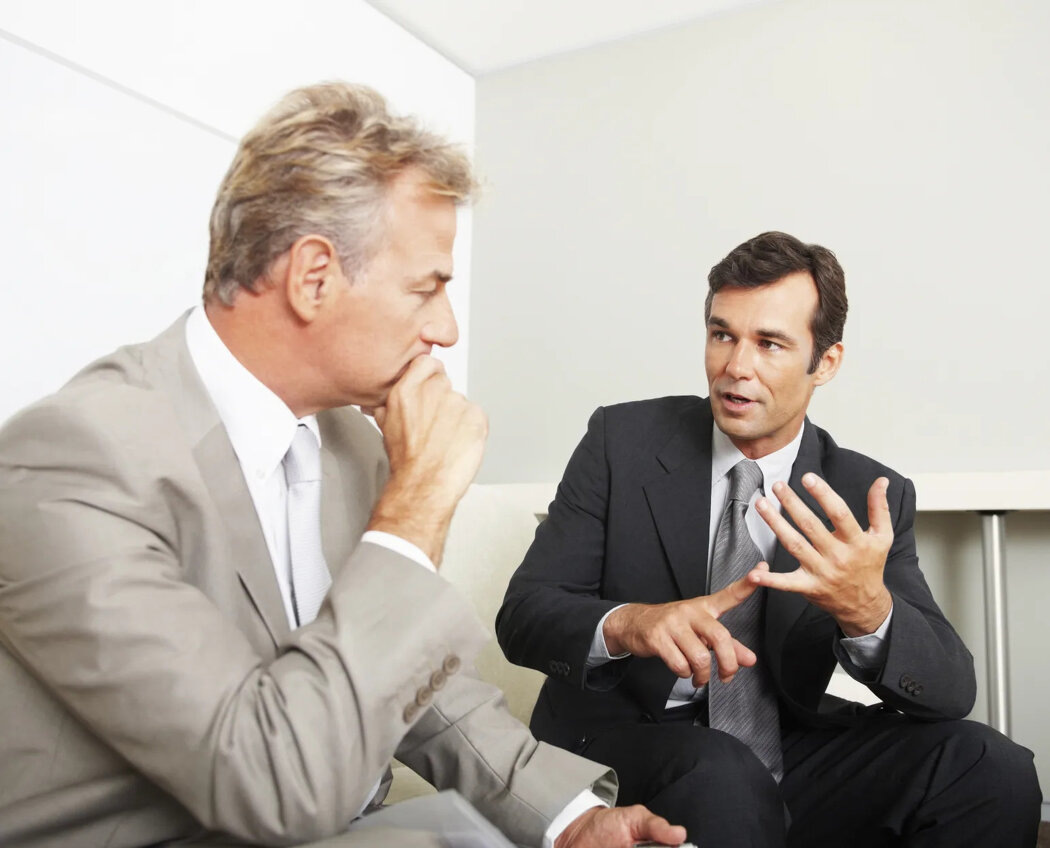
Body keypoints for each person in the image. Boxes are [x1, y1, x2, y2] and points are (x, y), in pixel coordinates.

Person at [0, 82, 687, 848]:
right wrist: (416, 506)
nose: (447, 329)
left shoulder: (350, 442)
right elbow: (267, 779)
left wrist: (572, 821)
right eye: (427, 288)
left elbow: (410, 677)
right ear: (314, 277)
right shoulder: (72, 462)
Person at [496, 231, 1042, 847]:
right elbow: (524, 616)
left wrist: (868, 610)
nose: (736, 366)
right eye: (722, 334)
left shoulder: (860, 492)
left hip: (785, 744)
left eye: (770, 344)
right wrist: (630, 623)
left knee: (990, 768)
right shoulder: (621, 441)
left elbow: (948, 694)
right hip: (625, 741)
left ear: (825, 363)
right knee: (722, 774)